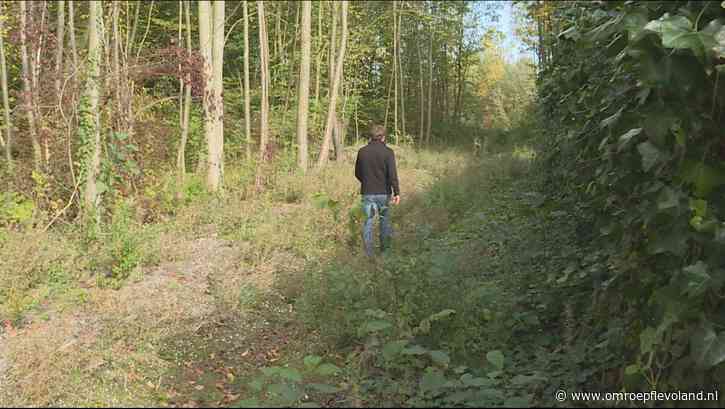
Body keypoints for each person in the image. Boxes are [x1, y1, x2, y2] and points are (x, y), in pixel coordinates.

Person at [354, 124, 400, 257]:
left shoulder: (362, 151)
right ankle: (384, 253)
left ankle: (368, 254)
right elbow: (392, 175)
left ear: (371, 137)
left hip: (367, 192)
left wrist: (367, 182)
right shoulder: (388, 152)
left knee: (367, 222)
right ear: (383, 137)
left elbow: (357, 172)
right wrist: (397, 192)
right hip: (384, 193)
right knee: (384, 222)